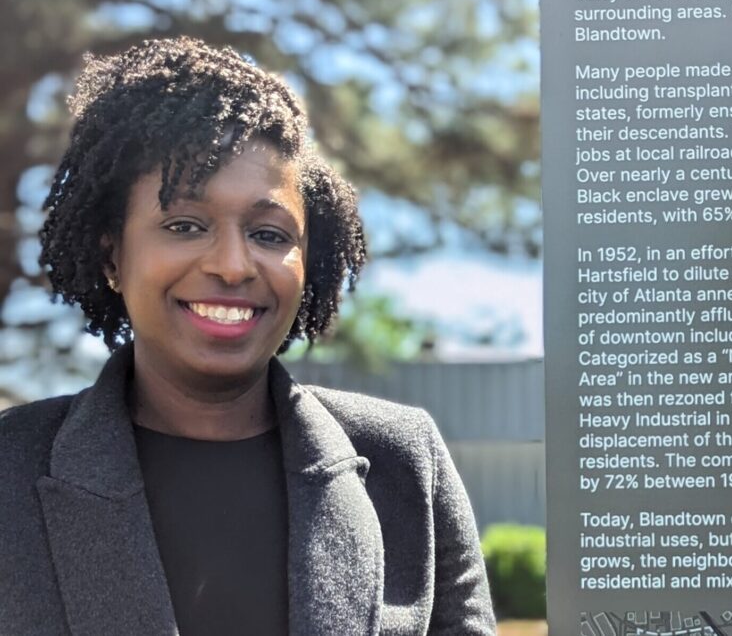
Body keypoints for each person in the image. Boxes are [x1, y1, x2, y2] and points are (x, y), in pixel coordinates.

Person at [0, 36, 496, 635]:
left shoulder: (404, 465)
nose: (233, 266)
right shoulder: (12, 466)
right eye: (185, 224)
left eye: (268, 234)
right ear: (112, 255)